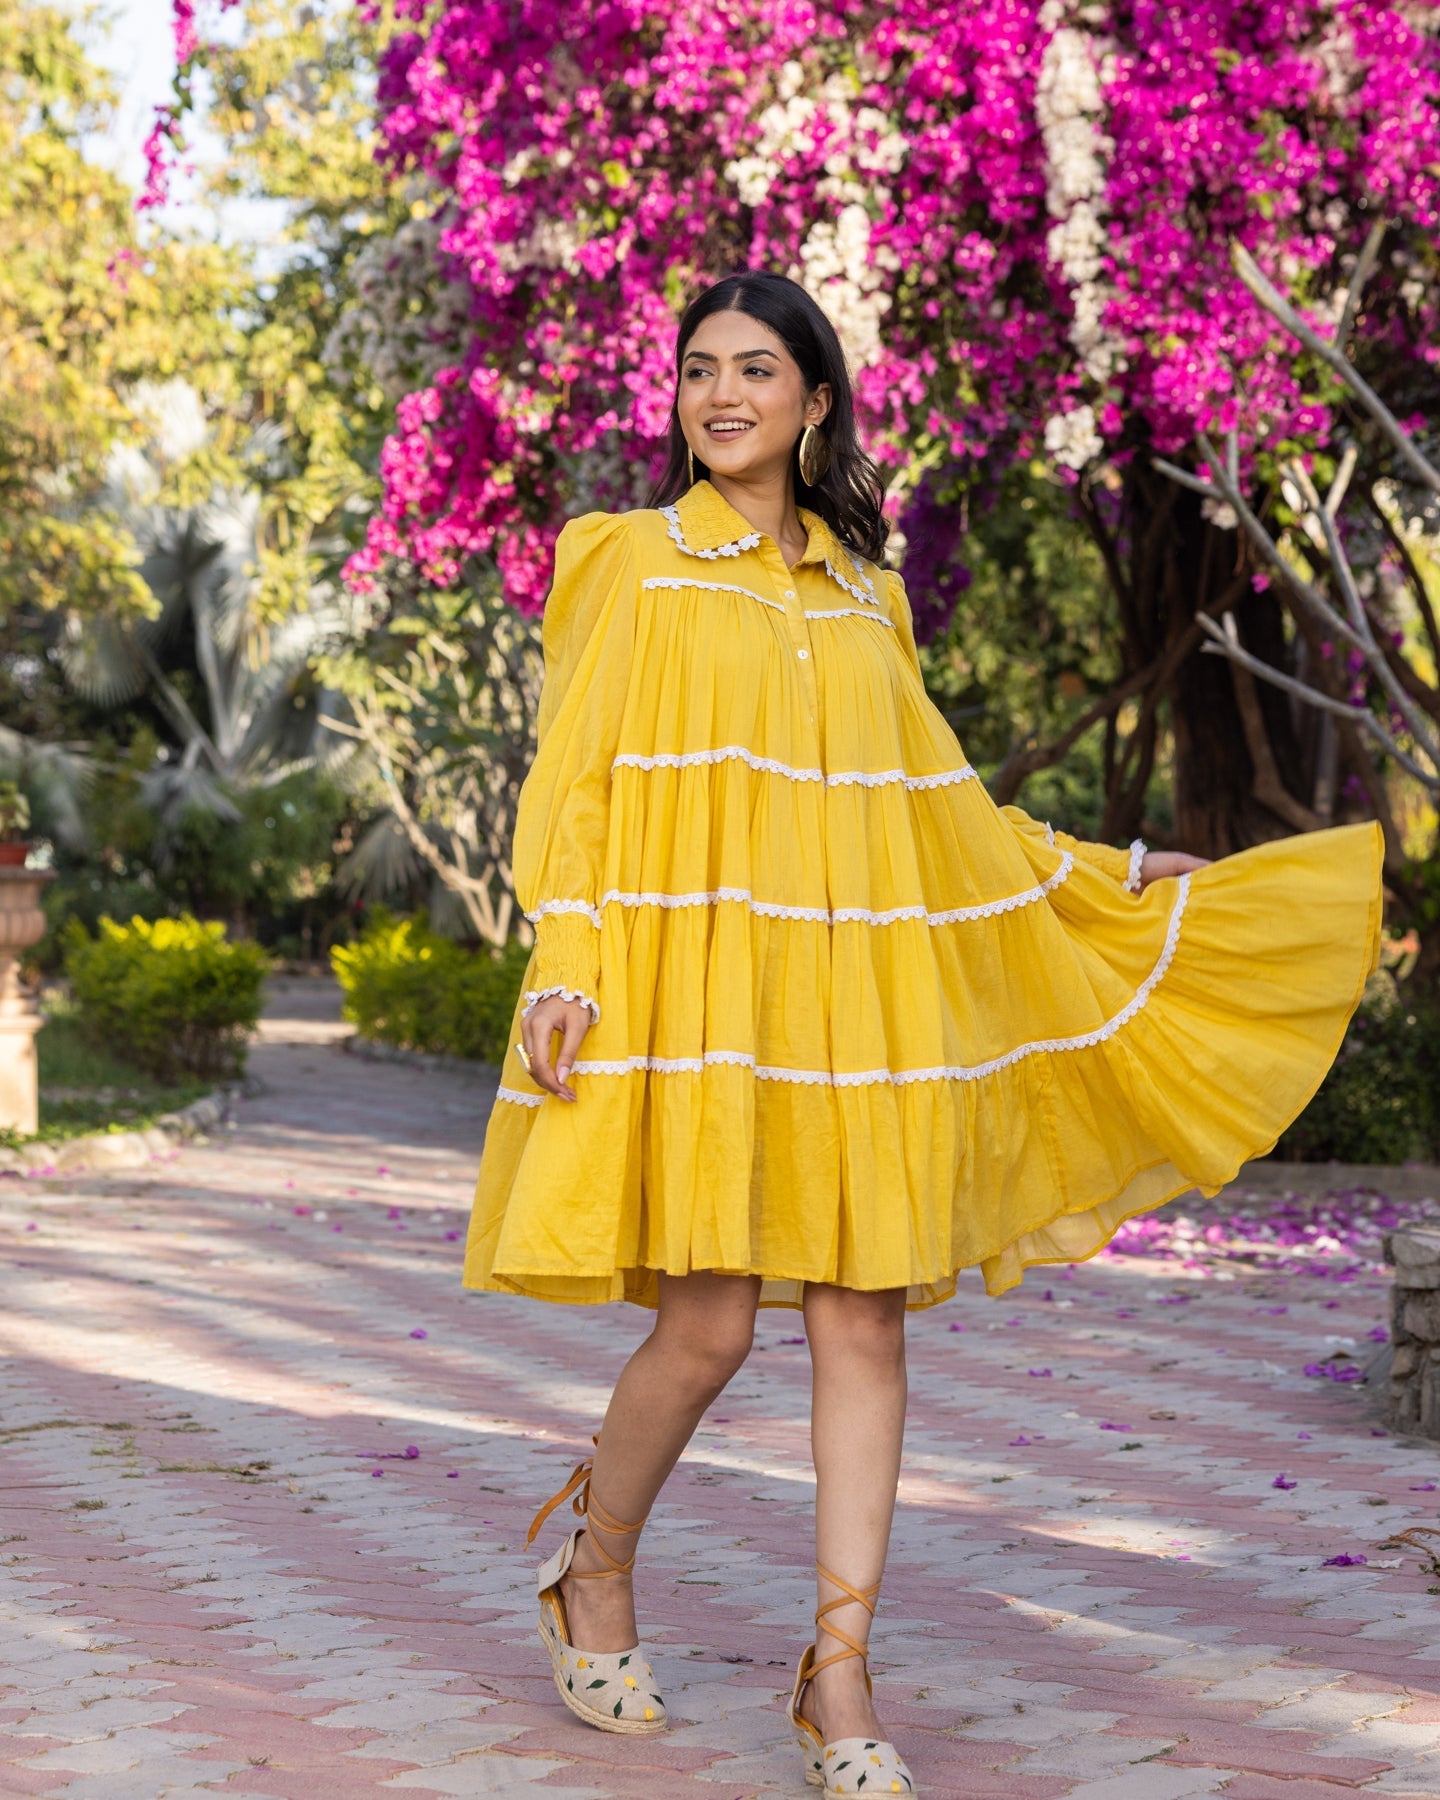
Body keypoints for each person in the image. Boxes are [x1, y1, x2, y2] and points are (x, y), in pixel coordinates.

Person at [462, 270, 1382, 1798]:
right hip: (701, 990)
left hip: (852, 1000)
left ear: (817, 402)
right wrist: (568, 957)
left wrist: (1123, 873)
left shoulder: (865, 593)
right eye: (699, 369)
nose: (723, 393)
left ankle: (838, 1675)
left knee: (862, 1319)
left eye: (759, 368)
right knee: (704, 1326)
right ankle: (593, 1567)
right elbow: (579, 786)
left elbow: (939, 816)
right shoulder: (630, 562)